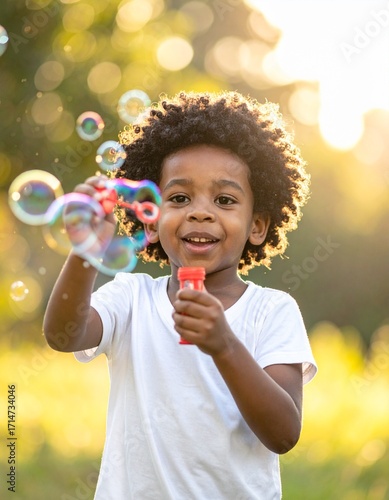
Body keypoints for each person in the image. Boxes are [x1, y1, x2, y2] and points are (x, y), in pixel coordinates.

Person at [43, 91, 317, 499]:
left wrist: (223, 344)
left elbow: (283, 433)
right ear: (150, 222)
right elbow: (64, 335)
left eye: (224, 200)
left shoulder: (271, 311)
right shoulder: (131, 297)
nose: (200, 212)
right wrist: (86, 250)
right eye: (179, 198)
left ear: (257, 226)